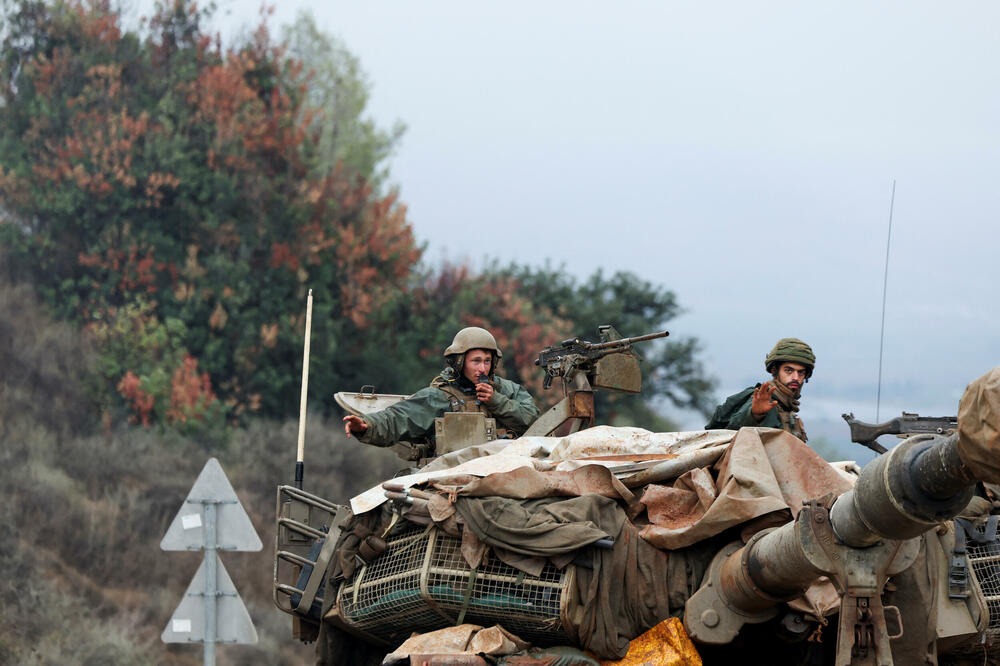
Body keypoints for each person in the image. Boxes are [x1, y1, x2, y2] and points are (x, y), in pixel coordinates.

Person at [342, 326, 539, 451]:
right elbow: (398, 418)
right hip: (453, 479)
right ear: (460, 362)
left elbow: (535, 422)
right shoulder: (440, 397)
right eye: (476, 361)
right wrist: (367, 425)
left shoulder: (508, 391)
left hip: (506, 475)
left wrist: (496, 401)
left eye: (487, 361)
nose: (482, 368)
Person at [705, 337, 815, 442]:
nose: (796, 378)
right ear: (774, 370)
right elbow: (732, 433)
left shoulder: (786, 407)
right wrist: (754, 414)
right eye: (788, 371)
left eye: (801, 372)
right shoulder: (762, 399)